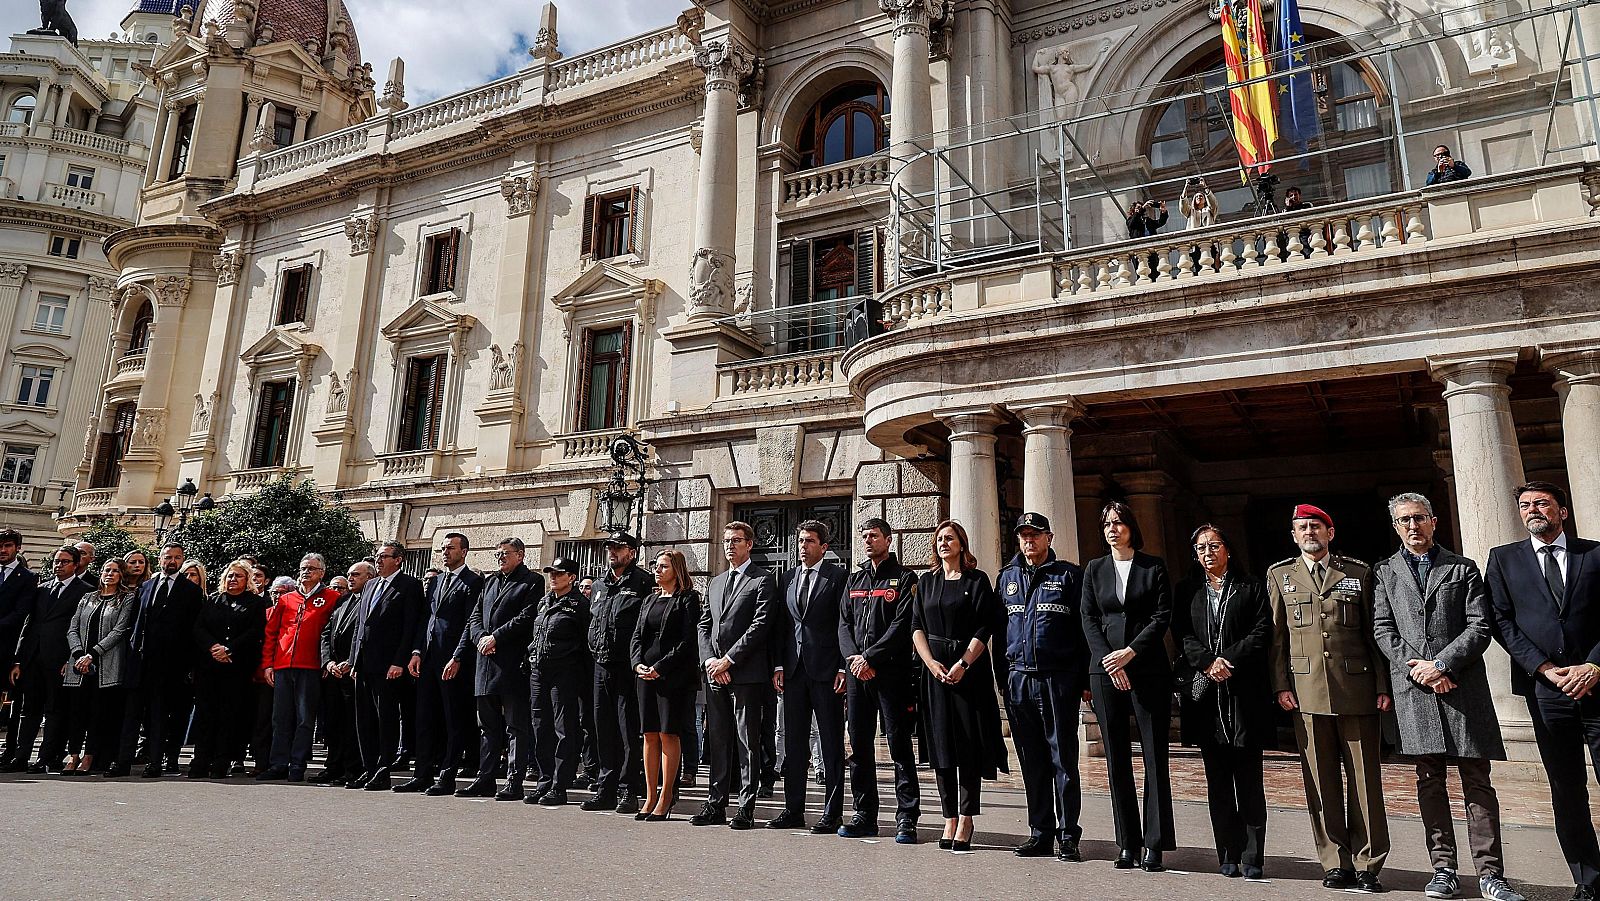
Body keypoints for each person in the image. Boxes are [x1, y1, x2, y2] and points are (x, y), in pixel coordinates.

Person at [1373, 494, 1525, 901]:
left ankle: (1491, 873)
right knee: (1429, 781)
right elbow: (1383, 628)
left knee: (1477, 781)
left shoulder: (1462, 567)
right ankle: (1443, 869)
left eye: (1419, 518)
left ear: (1434, 521)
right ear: (1396, 526)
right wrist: (1420, 669)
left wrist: (1441, 665)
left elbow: (1480, 625)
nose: (1413, 526)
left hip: (1462, 690)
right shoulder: (1384, 572)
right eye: (1404, 520)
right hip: (1416, 692)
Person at [1269, 503, 1392, 893]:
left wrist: (1382, 685)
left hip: (1356, 688)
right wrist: (1281, 685)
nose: (1310, 532)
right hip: (1305, 690)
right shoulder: (1280, 575)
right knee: (1320, 782)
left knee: (1365, 780)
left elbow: (1374, 633)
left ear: (1330, 532)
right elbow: (1278, 638)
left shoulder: (1357, 572)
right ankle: (1335, 861)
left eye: (1316, 526)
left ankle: (1368, 862)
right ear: (1294, 536)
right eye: (1302, 528)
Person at [1486, 481, 1600, 901]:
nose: (1532, 510)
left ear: (1562, 512)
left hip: (1598, 685)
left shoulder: (1595, 554)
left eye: (1542, 503)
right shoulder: (1503, 559)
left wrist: (1594, 665)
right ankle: (1589, 880)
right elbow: (1500, 620)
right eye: (1525, 505)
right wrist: (1544, 668)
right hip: (1546, 690)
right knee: (1566, 788)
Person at [1173, 524, 1272, 879]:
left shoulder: (1250, 587)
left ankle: (1253, 855)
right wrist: (1206, 662)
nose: (1207, 552)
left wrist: (1227, 659)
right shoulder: (1187, 590)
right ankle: (1227, 852)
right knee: (1217, 781)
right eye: (1201, 548)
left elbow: (1262, 630)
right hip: (1206, 698)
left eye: (1214, 545)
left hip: (1243, 693)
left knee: (1249, 781)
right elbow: (1182, 633)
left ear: (1228, 549)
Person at [1081, 501, 1176, 871]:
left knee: (1154, 756)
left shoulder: (1153, 566)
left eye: (1119, 523)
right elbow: (1088, 617)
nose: (1112, 529)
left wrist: (1130, 653)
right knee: (1116, 758)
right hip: (1105, 671)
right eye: (1107, 524)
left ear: (1132, 527)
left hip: (1147, 667)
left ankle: (1154, 843)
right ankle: (1127, 843)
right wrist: (1109, 659)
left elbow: (1161, 616)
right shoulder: (1095, 569)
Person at [1000, 513, 1089, 862]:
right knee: (1031, 761)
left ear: (1049, 538)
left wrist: (1083, 680)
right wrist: (1004, 680)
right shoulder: (1006, 578)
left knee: (1062, 759)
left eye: (1035, 535)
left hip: (1057, 679)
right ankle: (1040, 832)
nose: (1029, 541)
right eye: (1023, 535)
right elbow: (999, 634)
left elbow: (1083, 630)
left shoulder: (1069, 576)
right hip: (1019, 680)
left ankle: (1068, 835)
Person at [912, 520, 1006, 852]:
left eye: (949, 538)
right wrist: (930, 662)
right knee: (941, 745)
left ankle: (966, 817)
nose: (943, 543)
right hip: (935, 673)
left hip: (968, 672)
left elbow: (985, 626)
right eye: (939, 539)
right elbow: (916, 626)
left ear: (962, 544)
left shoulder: (976, 580)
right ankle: (948, 816)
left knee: (967, 744)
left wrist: (964, 663)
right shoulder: (926, 582)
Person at [838, 517, 921, 842]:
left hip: (890, 674)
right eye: (864, 536)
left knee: (899, 745)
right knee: (859, 746)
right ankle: (864, 814)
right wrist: (854, 659)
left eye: (873, 536)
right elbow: (843, 624)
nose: (868, 541)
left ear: (888, 540)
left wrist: (870, 658)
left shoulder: (904, 578)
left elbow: (902, 626)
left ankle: (907, 817)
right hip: (857, 675)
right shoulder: (855, 579)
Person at [692, 521, 776, 830]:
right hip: (715, 674)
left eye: (736, 540)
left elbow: (760, 626)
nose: (730, 545)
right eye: (727, 540)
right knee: (717, 741)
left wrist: (728, 661)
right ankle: (715, 803)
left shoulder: (762, 580)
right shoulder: (716, 583)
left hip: (745, 675)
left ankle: (745, 807)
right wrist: (710, 661)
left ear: (749, 544)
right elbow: (704, 625)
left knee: (746, 742)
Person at [766, 520, 848, 834]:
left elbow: (844, 624)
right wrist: (778, 665)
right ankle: (793, 810)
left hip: (827, 672)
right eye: (800, 541)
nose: (803, 546)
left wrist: (842, 667)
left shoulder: (838, 577)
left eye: (810, 541)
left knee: (831, 744)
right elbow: (782, 626)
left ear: (824, 547)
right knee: (795, 744)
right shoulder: (787, 578)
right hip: (794, 671)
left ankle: (832, 813)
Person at [456, 537, 542, 800]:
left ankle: (514, 781)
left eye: (505, 553)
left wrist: (496, 637)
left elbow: (527, 617)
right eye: (498, 554)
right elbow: (475, 617)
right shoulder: (490, 581)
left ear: (520, 555)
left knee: (516, 726)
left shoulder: (532, 581)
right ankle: (486, 778)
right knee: (487, 727)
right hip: (485, 663)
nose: (501, 558)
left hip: (511, 664)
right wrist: (481, 637)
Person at [398, 532, 483, 795]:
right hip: (429, 659)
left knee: (453, 720)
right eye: (443, 548)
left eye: (451, 548)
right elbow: (426, 618)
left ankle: (447, 776)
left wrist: (458, 656)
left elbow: (471, 623)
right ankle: (421, 774)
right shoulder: (435, 582)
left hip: (454, 661)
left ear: (464, 551)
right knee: (424, 718)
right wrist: (416, 651)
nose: (445, 552)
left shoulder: (473, 582)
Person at [112, 542, 203, 778]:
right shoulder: (145, 586)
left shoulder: (191, 591)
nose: (172, 561)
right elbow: (135, 622)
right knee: (131, 715)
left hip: (169, 665)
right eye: (168, 557)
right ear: (160, 558)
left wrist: (187, 666)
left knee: (158, 716)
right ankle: (122, 763)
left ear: (182, 560)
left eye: (177, 557)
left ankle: (154, 762)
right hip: (139, 662)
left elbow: (193, 630)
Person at [348, 540, 424, 791]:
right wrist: (354, 660)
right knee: (364, 719)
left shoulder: (410, 585)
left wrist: (399, 661)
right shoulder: (370, 585)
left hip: (388, 665)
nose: (378, 560)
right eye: (377, 556)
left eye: (384, 556)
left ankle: (383, 770)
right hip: (364, 663)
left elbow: (410, 626)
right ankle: (368, 767)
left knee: (386, 719)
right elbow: (361, 626)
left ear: (398, 560)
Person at [586, 531, 653, 814]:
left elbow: (647, 627)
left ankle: (629, 789)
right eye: (609, 548)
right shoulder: (599, 585)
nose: (612, 552)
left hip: (627, 667)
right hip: (600, 665)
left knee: (628, 731)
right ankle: (606, 788)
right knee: (603, 729)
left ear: (632, 553)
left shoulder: (643, 583)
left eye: (618, 547)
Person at [631, 549, 701, 821]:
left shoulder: (688, 598)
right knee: (649, 734)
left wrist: (660, 667)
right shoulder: (649, 599)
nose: (657, 571)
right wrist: (637, 664)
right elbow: (637, 636)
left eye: (663, 567)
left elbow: (687, 641)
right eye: (656, 566)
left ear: (677, 570)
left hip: (673, 677)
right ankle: (650, 796)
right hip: (645, 675)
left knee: (668, 733)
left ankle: (666, 795)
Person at [258, 553, 340, 782]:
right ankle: (278, 764)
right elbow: (272, 633)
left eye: (311, 568)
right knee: (280, 717)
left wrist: (327, 661)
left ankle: (297, 764)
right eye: (303, 568)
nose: (306, 572)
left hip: (311, 666)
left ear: (322, 573)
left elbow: (332, 634)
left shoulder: (331, 597)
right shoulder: (287, 599)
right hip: (283, 664)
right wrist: (268, 664)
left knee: (305, 719)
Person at [7, 546, 87, 773]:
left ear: (76, 564)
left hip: (60, 660)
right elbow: (29, 624)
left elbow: (81, 629)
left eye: (64, 561)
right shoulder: (42, 588)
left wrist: (71, 658)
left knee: (54, 710)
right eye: (56, 561)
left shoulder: (85, 591)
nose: (58, 565)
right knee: (28, 710)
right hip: (33, 659)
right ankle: (20, 757)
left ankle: (45, 757)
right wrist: (19, 660)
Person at [189, 559, 266, 779]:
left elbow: (255, 631)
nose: (233, 579)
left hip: (237, 667)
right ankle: (200, 760)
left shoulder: (255, 603)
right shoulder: (213, 600)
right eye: (230, 575)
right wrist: (213, 647)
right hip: (210, 666)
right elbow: (199, 627)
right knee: (206, 715)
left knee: (229, 716)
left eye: (238, 576)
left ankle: (221, 762)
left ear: (247, 580)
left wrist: (229, 649)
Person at [61, 559, 138, 773]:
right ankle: (73, 755)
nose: (109, 574)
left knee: (98, 713)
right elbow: (72, 628)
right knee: (76, 712)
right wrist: (79, 655)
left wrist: (92, 655)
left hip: (105, 664)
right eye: (106, 570)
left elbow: (119, 631)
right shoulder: (88, 597)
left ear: (121, 575)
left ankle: (89, 756)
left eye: (115, 571)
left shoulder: (126, 599)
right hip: (79, 665)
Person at [525, 557, 589, 806]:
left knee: (564, 730)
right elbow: (536, 634)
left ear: (571, 577)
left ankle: (559, 785)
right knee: (540, 727)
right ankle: (544, 782)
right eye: (551, 573)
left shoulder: (580, 605)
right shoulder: (544, 601)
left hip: (565, 673)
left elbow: (586, 642)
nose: (553, 577)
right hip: (539, 672)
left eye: (559, 573)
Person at [315, 561, 370, 785]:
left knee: (351, 724)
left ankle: (352, 769)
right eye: (349, 574)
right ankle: (333, 766)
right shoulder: (343, 600)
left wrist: (352, 661)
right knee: (333, 723)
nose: (351, 579)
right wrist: (327, 661)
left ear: (369, 577)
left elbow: (364, 636)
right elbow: (326, 633)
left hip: (353, 672)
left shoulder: (369, 601)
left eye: (356, 575)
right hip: (334, 672)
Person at [0, 529, 39, 768]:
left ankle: (11, 751)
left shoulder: (27, 578)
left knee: (9, 705)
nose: (2, 550)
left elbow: (21, 613)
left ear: (17, 548)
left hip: (7, 649)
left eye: (7, 546)